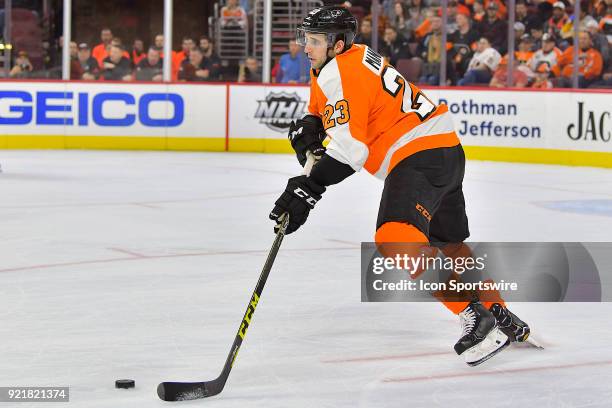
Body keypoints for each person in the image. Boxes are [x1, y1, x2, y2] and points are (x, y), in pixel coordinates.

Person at [269, 6, 530, 367]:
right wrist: (311, 128)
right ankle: (499, 313)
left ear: (338, 44)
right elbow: (323, 110)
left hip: (418, 156)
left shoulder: (339, 71)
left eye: (315, 40)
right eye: (307, 38)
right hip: (446, 151)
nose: (308, 46)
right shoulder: (345, 62)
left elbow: (351, 152)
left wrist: (308, 188)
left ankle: (475, 315)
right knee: (448, 244)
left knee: (395, 237)